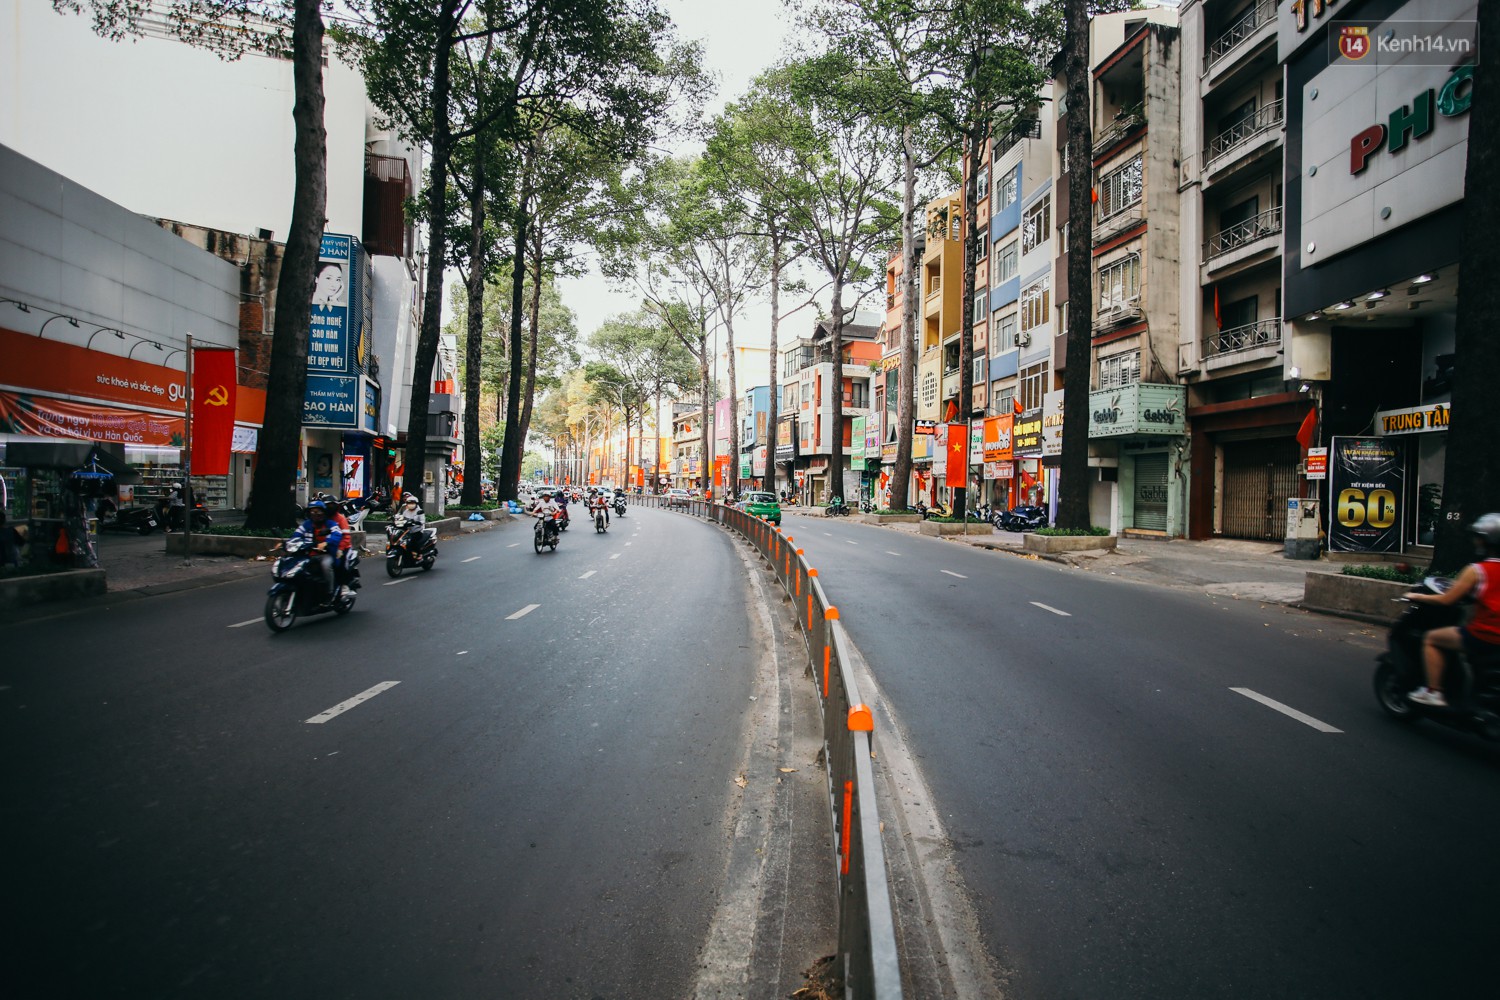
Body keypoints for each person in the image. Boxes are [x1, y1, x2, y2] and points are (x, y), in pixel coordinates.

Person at [1406, 513, 1500, 707]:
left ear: (1485, 541)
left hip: (1486, 634)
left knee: (1432, 638)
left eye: (1478, 538)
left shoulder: (1477, 571)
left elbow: (1447, 600)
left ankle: (1433, 692)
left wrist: (1417, 596)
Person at [289, 500, 342, 600]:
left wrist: (326, 542)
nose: (315, 514)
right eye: (312, 512)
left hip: (325, 554)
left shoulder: (330, 524)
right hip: (308, 555)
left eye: (318, 512)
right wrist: (287, 543)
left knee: (326, 566)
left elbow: (337, 534)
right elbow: (296, 535)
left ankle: (329, 593)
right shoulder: (307, 524)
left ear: (323, 512)